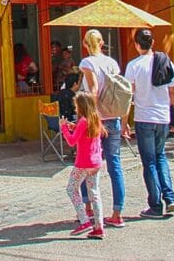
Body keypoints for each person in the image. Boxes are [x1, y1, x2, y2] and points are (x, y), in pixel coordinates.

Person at [124, 28, 174, 218]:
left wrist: (125, 122)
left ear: (137, 45)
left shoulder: (133, 66)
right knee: (160, 156)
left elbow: (128, 95)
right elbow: (173, 93)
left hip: (144, 118)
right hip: (163, 117)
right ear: (152, 43)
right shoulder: (165, 62)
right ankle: (170, 198)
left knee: (149, 162)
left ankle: (155, 206)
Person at [78, 28, 127, 228]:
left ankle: (88, 208)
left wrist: (90, 116)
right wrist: (124, 120)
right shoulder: (112, 63)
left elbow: (94, 89)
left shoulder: (87, 63)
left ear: (85, 44)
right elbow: (121, 91)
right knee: (115, 165)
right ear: (101, 43)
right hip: (114, 117)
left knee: (85, 163)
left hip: (95, 119)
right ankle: (117, 212)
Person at [61, 91, 106, 239]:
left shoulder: (83, 121)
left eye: (76, 106)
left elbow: (72, 141)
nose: (75, 108)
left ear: (80, 106)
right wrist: (73, 127)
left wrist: (64, 128)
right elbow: (85, 134)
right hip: (96, 162)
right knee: (95, 193)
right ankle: (99, 227)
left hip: (83, 163)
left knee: (71, 189)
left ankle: (84, 220)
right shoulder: (95, 119)